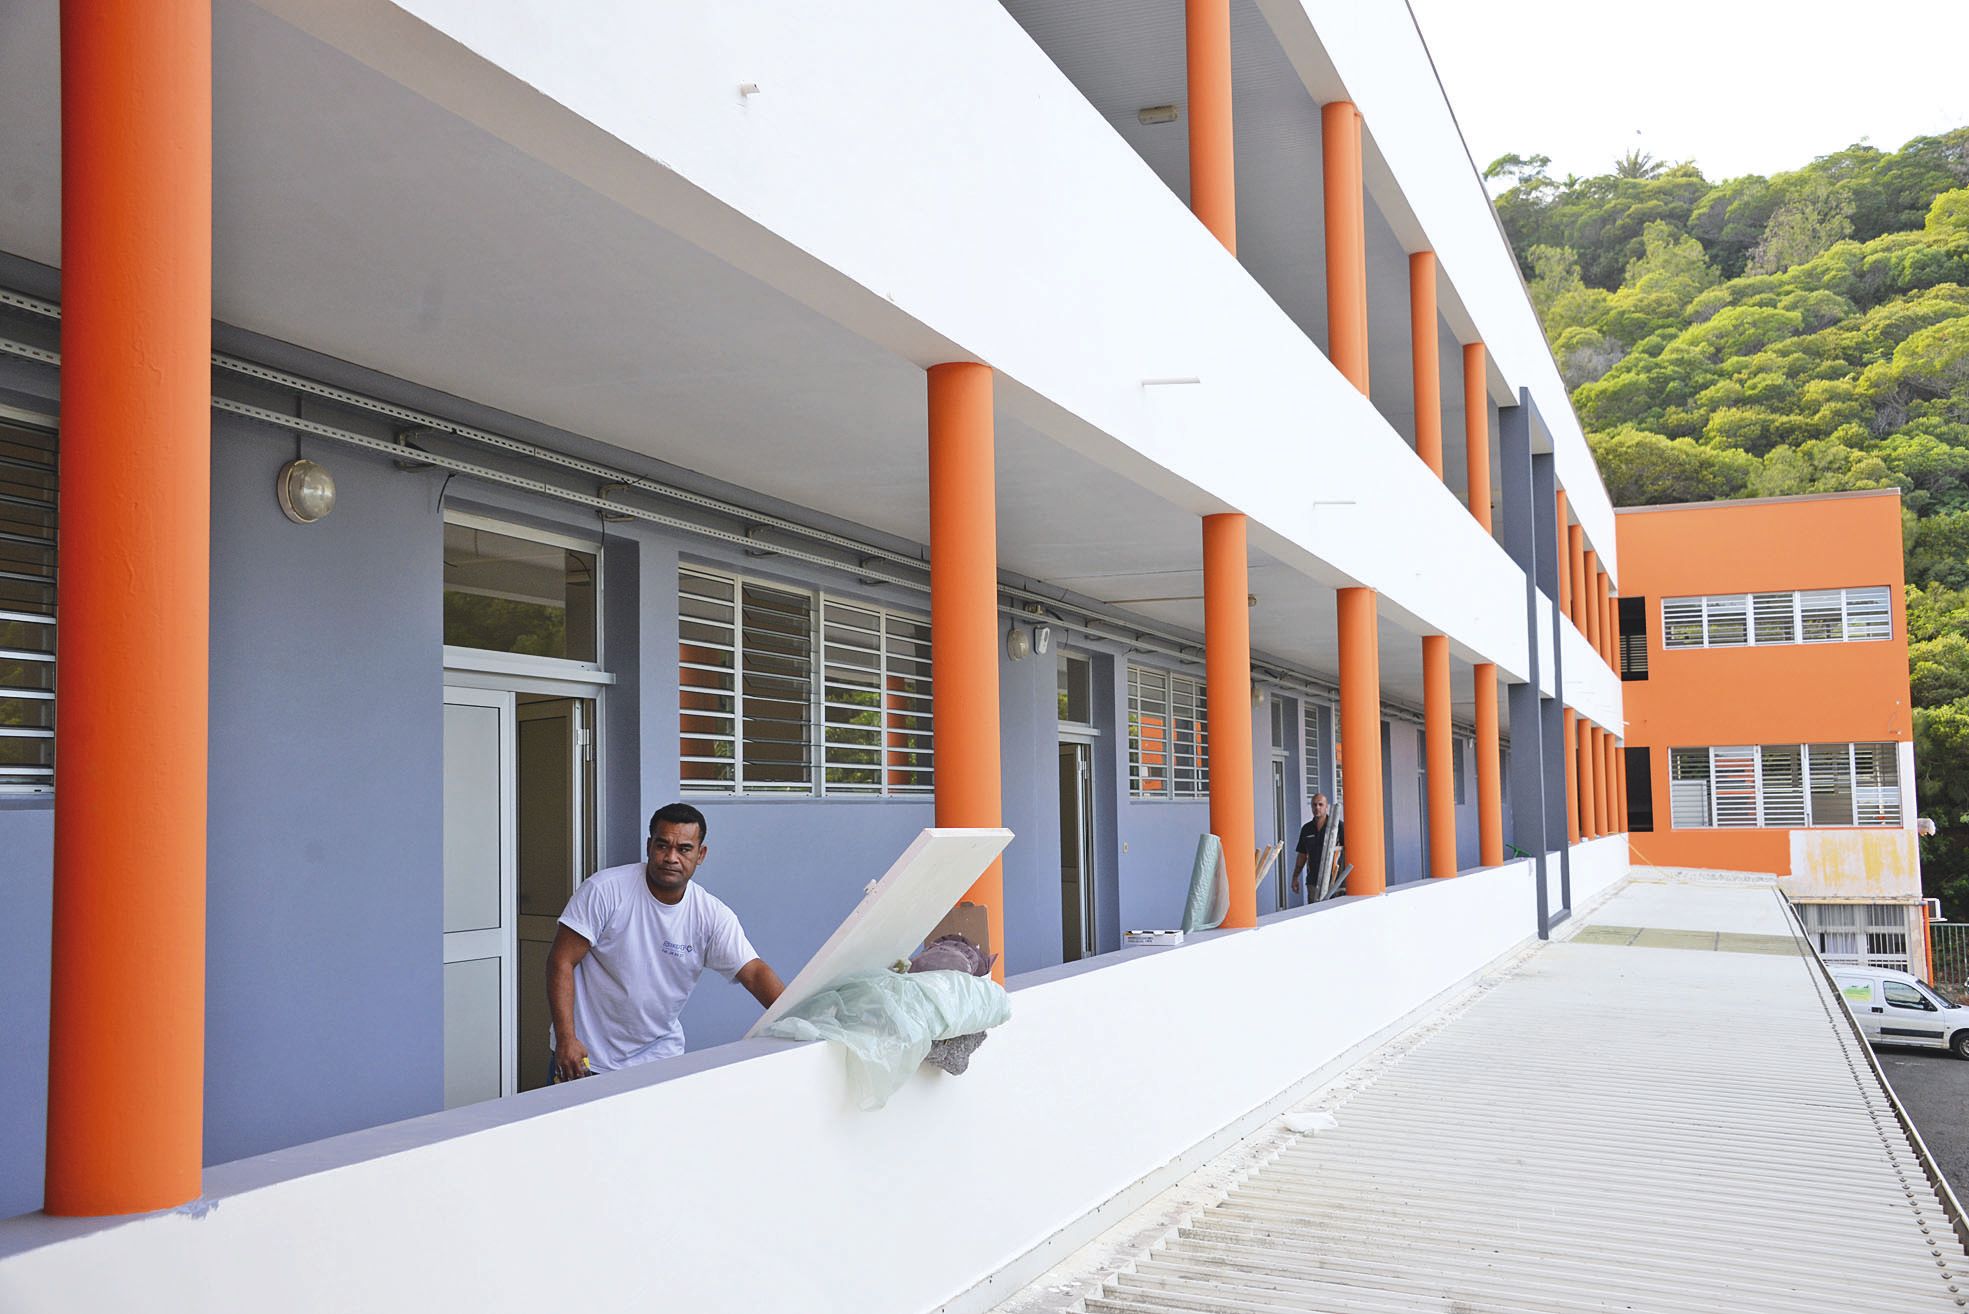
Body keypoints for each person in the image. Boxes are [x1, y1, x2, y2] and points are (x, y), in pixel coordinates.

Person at [547, 802, 784, 1081]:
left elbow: (754, 973)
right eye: (663, 846)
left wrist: (802, 1019)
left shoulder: (710, 914)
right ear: (649, 846)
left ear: (700, 854)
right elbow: (561, 961)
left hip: (659, 1059)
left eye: (684, 849)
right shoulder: (605, 891)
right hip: (587, 1056)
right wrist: (566, 1038)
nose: (671, 857)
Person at [1289, 793, 1343, 902]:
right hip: (1313, 881)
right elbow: (1302, 855)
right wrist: (1295, 877)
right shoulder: (1306, 829)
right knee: (1315, 913)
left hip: (1334, 881)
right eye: (1314, 805)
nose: (1317, 807)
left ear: (1326, 806)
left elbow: (1348, 851)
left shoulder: (1338, 826)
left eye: (1320, 804)